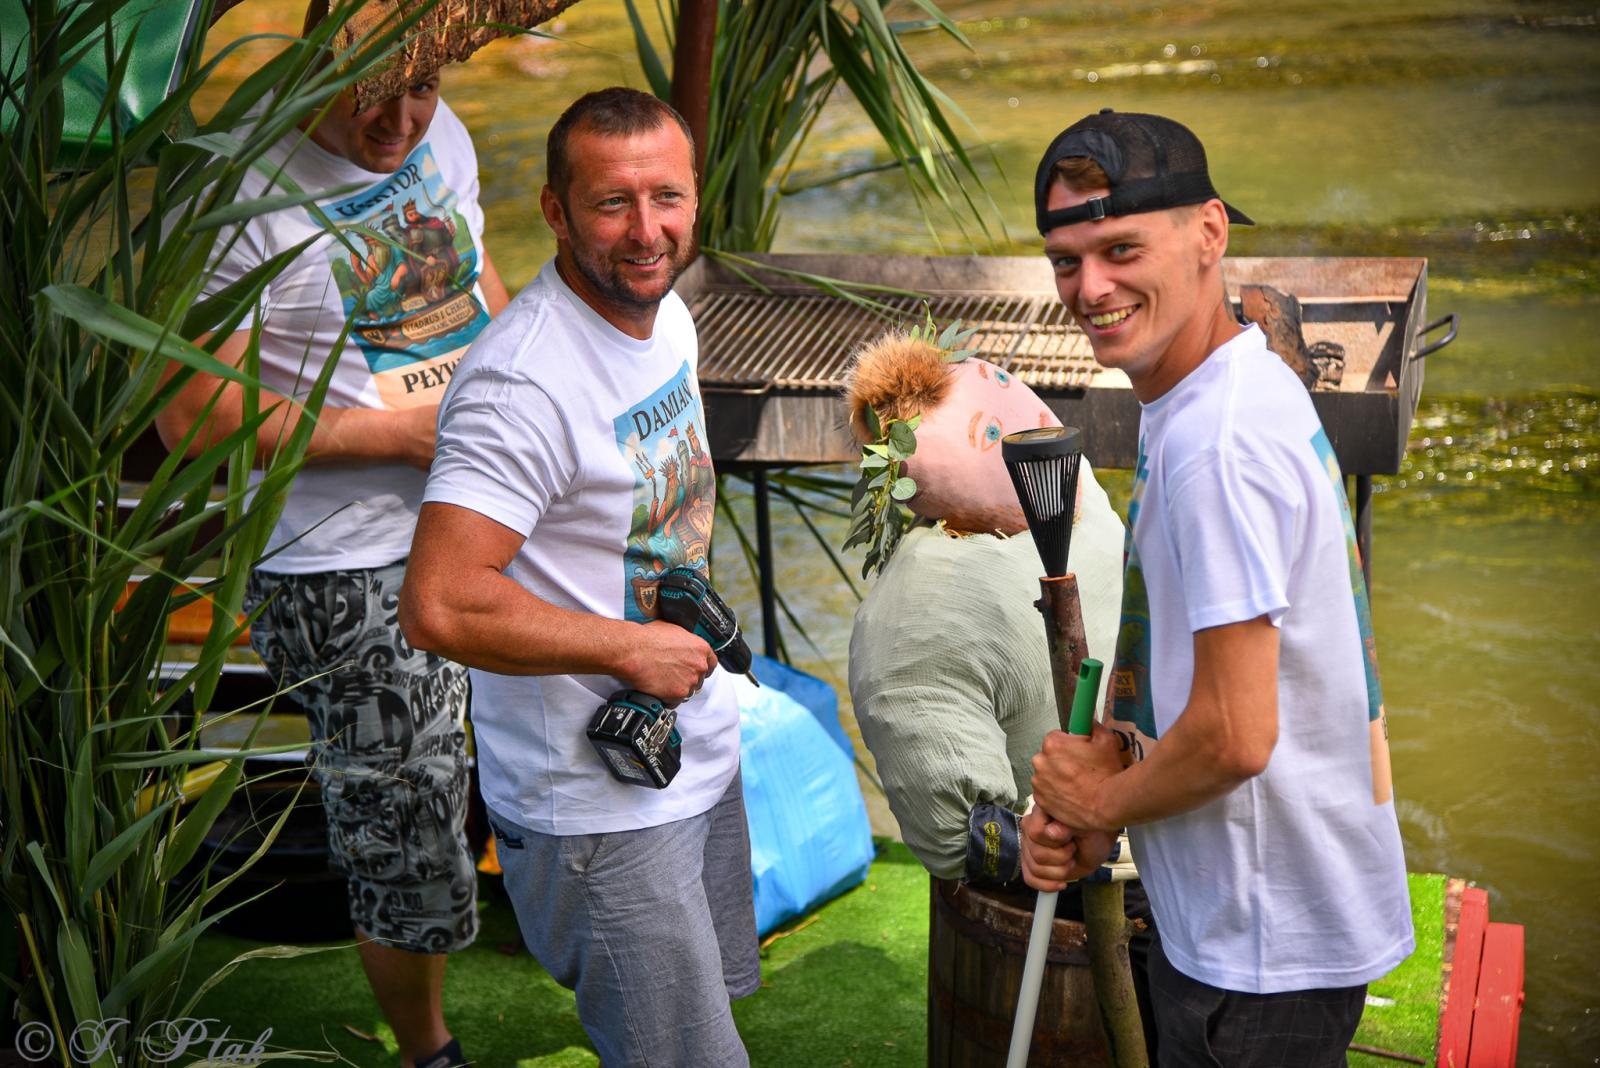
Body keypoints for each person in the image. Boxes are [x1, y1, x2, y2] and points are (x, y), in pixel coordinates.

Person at [1021, 109, 1414, 1066]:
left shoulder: (1218, 447)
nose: (1091, 288)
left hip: (1262, 946)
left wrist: (1099, 809)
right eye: (1067, 261)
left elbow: (1237, 735)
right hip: (1269, 914)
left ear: (1209, 233)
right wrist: (1110, 762)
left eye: (1120, 249)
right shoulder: (1222, 381)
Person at [155, 58, 508, 1068]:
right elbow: (192, 411)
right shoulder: (233, 183)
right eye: (373, 93)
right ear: (327, 50)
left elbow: (473, 277)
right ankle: (427, 1052)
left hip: (471, 512)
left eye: (424, 90)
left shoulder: (441, 131)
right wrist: (395, 437)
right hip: (340, 562)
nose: (401, 122)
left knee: (498, 774)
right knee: (406, 824)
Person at [397, 87, 759, 1067]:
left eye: (668, 199)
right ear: (555, 212)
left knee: (708, 1022)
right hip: (593, 799)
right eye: (612, 205)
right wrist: (628, 646)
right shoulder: (522, 383)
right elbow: (437, 601)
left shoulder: (665, 315)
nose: (648, 232)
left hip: (688, 751)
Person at [841, 329, 1127, 888]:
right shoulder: (922, 609)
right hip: (1065, 880)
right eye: (992, 432)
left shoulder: (1071, 484)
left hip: (1145, 831)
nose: (1027, 418)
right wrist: (1046, 849)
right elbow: (966, 837)